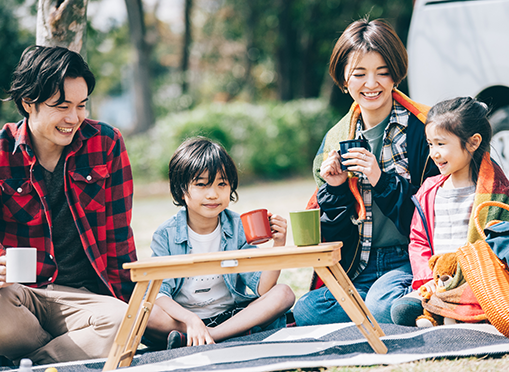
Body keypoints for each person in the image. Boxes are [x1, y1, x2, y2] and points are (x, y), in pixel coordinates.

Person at [292, 17, 440, 326]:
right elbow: (333, 236)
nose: (371, 84)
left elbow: (434, 217)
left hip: (409, 259)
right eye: (359, 74)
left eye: (382, 73)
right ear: (344, 81)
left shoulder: (424, 131)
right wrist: (333, 189)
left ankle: (405, 301)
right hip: (360, 264)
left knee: (380, 304)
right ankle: (409, 306)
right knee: (305, 311)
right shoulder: (336, 139)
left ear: (396, 76)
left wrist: (380, 180)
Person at [0, 46, 137, 365]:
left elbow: (120, 239)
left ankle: (32, 363)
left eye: (81, 106)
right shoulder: (2, 153)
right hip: (19, 295)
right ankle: (69, 356)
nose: (74, 118)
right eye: (62, 106)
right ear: (27, 103)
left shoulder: (106, 144)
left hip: (84, 298)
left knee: (121, 322)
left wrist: (134, 310)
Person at [144, 137, 295, 349]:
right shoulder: (166, 235)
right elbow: (159, 294)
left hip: (231, 316)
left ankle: (212, 336)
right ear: (181, 190)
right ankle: (207, 334)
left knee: (284, 293)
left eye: (221, 183)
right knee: (146, 311)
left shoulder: (237, 227)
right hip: (182, 322)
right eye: (201, 184)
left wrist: (278, 246)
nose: (213, 194)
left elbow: (263, 288)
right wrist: (191, 320)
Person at [390, 97, 509, 326]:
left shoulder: (494, 189)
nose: (433, 153)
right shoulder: (429, 190)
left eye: (441, 144)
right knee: (400, 309)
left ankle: (452, 313)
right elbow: (418, 241)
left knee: (477, 300)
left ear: (473, 142)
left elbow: (506, 241)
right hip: (438, 281)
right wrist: (427, 280)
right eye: (430, 144)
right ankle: (448, 312)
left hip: (477, 281)